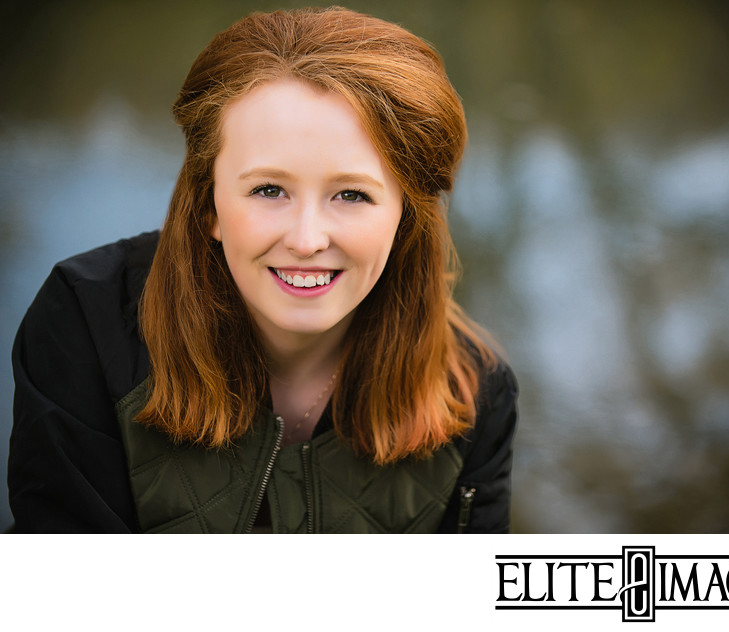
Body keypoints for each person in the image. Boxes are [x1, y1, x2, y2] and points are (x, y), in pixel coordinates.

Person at [8, 6, 517, 533]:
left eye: (352, 194)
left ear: (405, 217)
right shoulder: (87, 326)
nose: (306, 239)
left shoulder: (477, 396)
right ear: (208, 204)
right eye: (268, 190)